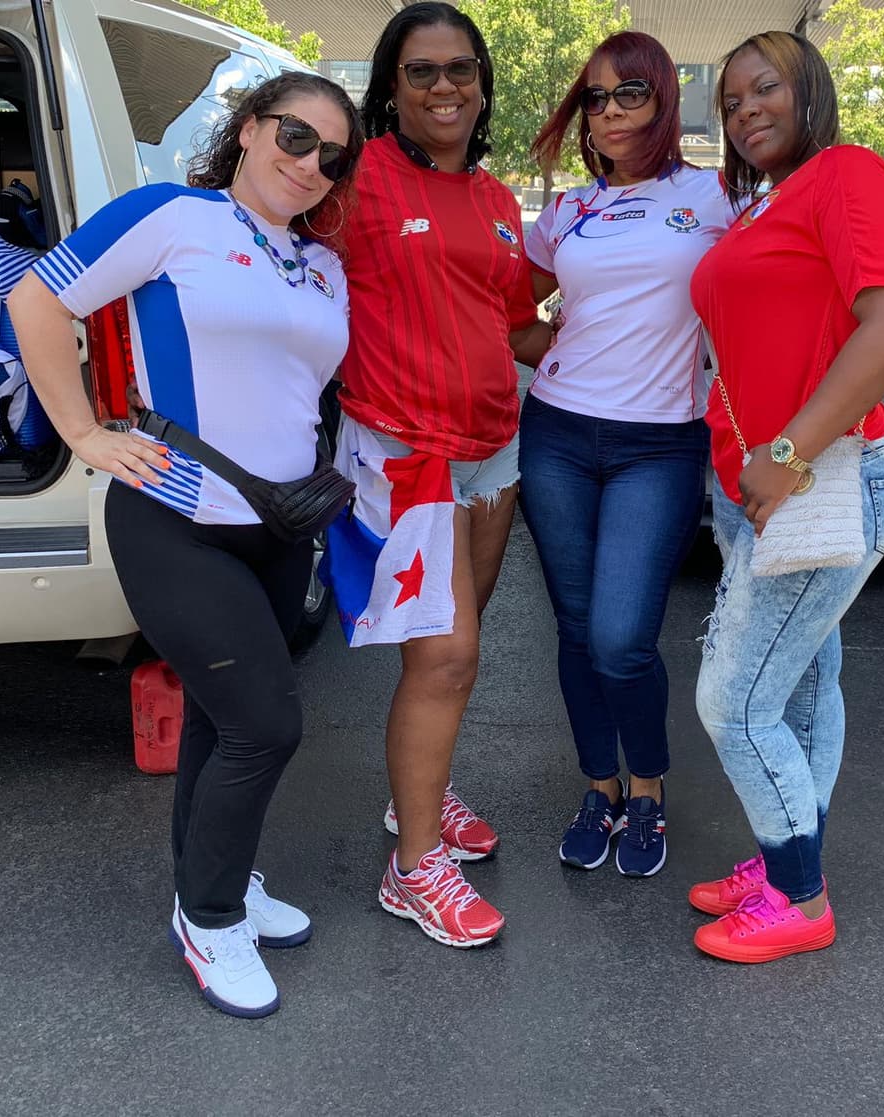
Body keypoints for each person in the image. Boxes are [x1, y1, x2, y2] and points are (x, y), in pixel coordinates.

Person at [7, 72, 363, 1017]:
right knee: (266, 723)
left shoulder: (321, 266)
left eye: (332, 156)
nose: (309, 164)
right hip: (176, 513)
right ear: (249, 130)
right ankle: (207, 920)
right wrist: (83, 433)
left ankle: (223, 877)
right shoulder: (175, 216)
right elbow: (39, 302)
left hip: (281, 527)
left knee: (218, 717)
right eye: (294, 136)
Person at [687, 31, 884, 963]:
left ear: (810, 91)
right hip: (758, 482)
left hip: (820, 477)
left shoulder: (849, 175)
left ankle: (799, 896)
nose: (747, 110)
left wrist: (788, 451)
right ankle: (788, 851)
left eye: (766, 89)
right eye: (733, 100)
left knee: (735, 701)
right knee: (800, 683)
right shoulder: (766, 204)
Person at [325, 2, 550, 949]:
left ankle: (419, 795)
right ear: (390, 88)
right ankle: (415, 868)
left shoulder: (501, 203)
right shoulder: (354, 180)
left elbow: (518, 325)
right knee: (447, 655)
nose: (446, 86)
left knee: (448, 652)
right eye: (421, 72)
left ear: (483, 83)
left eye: (461, 68)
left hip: (495, 448)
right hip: (405, 447)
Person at [521, 32, 735, 878]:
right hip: (558, 434)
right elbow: (509, 307)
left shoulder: (714, 197)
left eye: (630, 93)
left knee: (621, 636)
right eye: (596, 98)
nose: (609, 111)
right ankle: (600, 786)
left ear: (665, 102)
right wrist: (564, 353)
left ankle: (649, 791)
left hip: (661, 443)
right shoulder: (566, 210)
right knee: (576, 630)